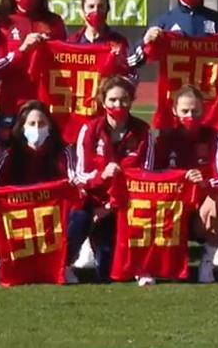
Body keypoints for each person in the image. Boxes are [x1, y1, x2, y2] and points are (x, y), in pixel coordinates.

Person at [145, 85, 218, 284]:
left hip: (200, 211)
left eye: (195, 111)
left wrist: (203, 181)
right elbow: (149, 178)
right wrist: (174, 177)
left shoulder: (214, 137)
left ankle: (208, 259)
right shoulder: (164, 141)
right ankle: (153, 263)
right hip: (172, 212)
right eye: (185, 111)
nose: (190, 115)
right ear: (175, 111)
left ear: (204, 111)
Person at [70, 76, 150, 283]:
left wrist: (112, 206)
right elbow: (80, 175)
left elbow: (147, 177)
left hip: (124, 205)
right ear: (103, 101)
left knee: (109, 272)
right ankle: (65, 262)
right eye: (113, 100)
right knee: (78, 217)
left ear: (131, 100)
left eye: (124, 99)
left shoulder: (143, 132)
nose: (118, 105)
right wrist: (101, 176)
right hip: (92, 201)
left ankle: (135, 261)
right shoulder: (89, 130)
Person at [0, 0, 69, 145]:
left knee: (47, 168)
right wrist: (23, 49)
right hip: (12, 106)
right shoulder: (2, 24)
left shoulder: (55, 23)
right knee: (8, 166)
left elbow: (68, 62)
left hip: (46, 108)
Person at [0, 100, 74, 188]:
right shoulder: (10, 156)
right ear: (22, 128)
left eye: (42, 124)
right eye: (32, 124)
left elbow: (73, 184)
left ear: (50, 127)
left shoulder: (63, 153)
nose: (36, 128)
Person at [70, 0, 134, 82]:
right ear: (82, 10)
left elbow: (132, 76)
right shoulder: (72, 43)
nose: (96, 11)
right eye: (91, 6)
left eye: (100, 7)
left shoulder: (119, 42)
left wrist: (119, 64)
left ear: (107, 9)